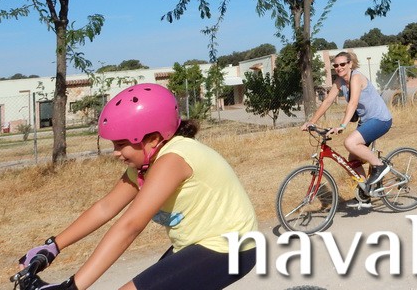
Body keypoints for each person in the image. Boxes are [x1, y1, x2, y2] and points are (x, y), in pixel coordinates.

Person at [17, 83, 258, 290]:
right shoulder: (146, 164)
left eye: (122, 144)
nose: (115, 153)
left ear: (153, 139)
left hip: (231, 249)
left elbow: (130, 226)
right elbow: (106, 207)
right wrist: (53, 246)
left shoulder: (173, 159)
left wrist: (73, 286)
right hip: (196, 245)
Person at [302, 51, 393, 204]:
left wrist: (342, 125)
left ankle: (380, 166)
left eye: (342, 64)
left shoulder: (356, 78)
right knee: (352, 160)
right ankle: (365, 195)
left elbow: (353, 103)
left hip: (380, 119)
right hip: (366, 121)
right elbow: (327, 101)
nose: (339, 67)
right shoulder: (339, 81)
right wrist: (311, 121)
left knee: (350, 143)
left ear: (350, 64)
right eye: (336, 65)